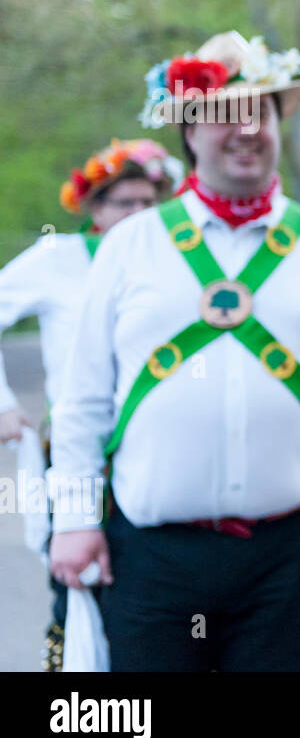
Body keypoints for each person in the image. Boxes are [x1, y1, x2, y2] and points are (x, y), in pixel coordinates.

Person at [47, 31, 300, 671]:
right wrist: (74, 518)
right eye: (222, 114)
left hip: (288, 554)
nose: (246, 129)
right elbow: (83, 397)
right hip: (151, 552)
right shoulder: (130, 246)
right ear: (189, 132)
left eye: (260, 112)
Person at [0, 138, 176, 670]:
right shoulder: (59, 259)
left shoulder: (175, 259)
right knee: (75, 576)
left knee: (151, 584)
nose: (139, 215)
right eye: (125, 203)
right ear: (95, 207)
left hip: (156, 452)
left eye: (150, 203)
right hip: (80, 452)